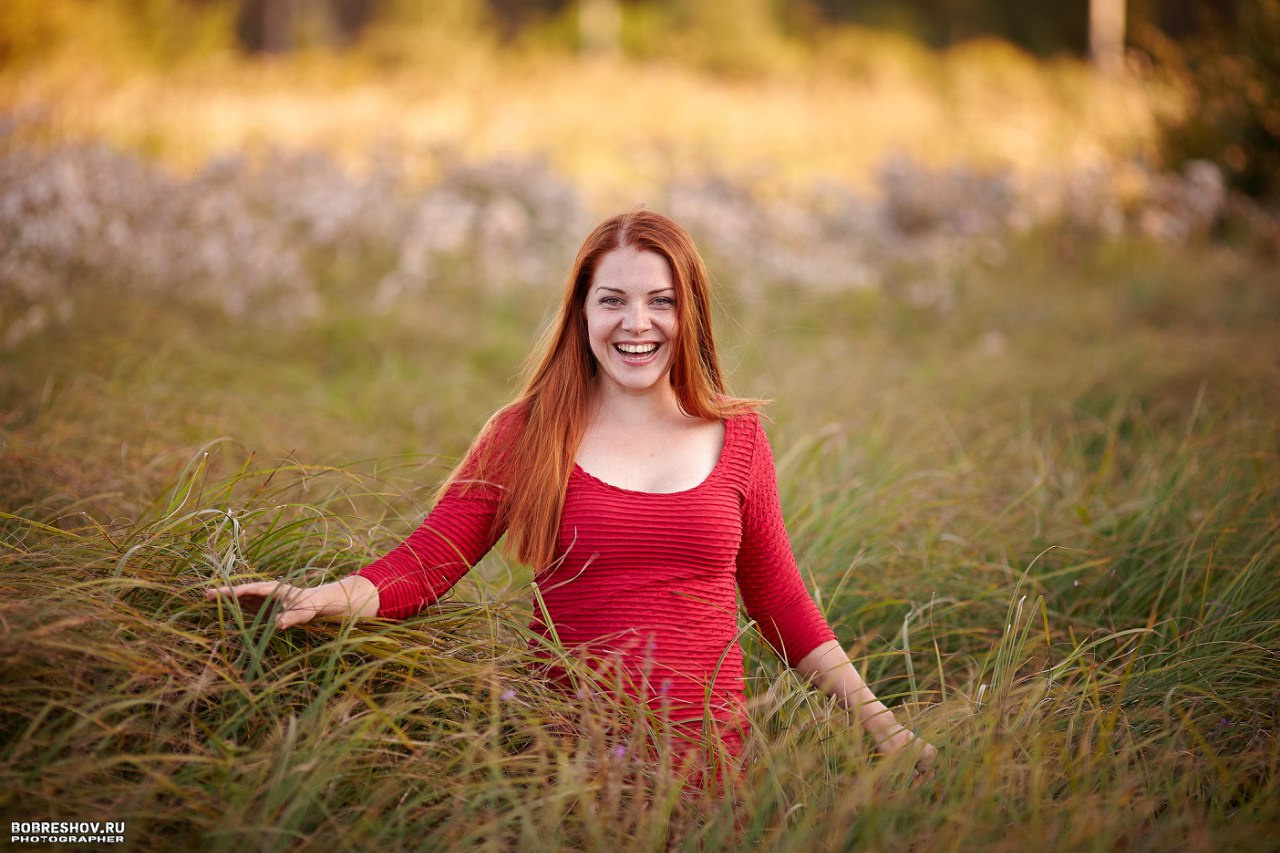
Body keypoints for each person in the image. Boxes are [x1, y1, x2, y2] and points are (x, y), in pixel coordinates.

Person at [205, 209, 937, 782]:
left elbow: (779, 602)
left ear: (691, 315)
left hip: (712, 777)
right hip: (562, 771)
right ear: (581, 312)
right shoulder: (525, 432)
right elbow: (427, 565)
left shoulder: (739, 437)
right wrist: (324, 595)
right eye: (612, 300)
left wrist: (885, 728)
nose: (637, 323)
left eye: (661, 301)